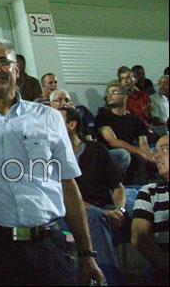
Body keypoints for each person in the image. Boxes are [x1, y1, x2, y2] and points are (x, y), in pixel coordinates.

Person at [0, 37, 104, 286]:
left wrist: (87, 254)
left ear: (17, 68)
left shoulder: (49, 118)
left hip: (49, 249)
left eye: (3, 62)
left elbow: (68, 185)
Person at [58, 107, 130, 280]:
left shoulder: (96, 149)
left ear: (72, 125)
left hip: (104, 207)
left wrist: (119, 210)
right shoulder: (52, 157)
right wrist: (103, 212)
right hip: (72, 213)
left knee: (132, 208)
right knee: (95, 216)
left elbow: (118, 187)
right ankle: (108, 279)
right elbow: (65, 197)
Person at [94, 80, 155, 184]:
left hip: (130, 153)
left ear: (125, 96)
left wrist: (149, 156)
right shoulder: (102, 117)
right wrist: (140, 152)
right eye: (108, 93)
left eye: (114, 92)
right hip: (109, 154)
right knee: (123, 154)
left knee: (153, 154)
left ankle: (145, 187)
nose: (109, 95)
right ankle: (117, 185)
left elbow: (144, 145)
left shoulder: (136, 120)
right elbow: (113, 141)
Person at [131, 134, 169, 286]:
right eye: (156, 151)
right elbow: (139, 237)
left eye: (164, 150)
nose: (156, 156)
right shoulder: (150, 192)